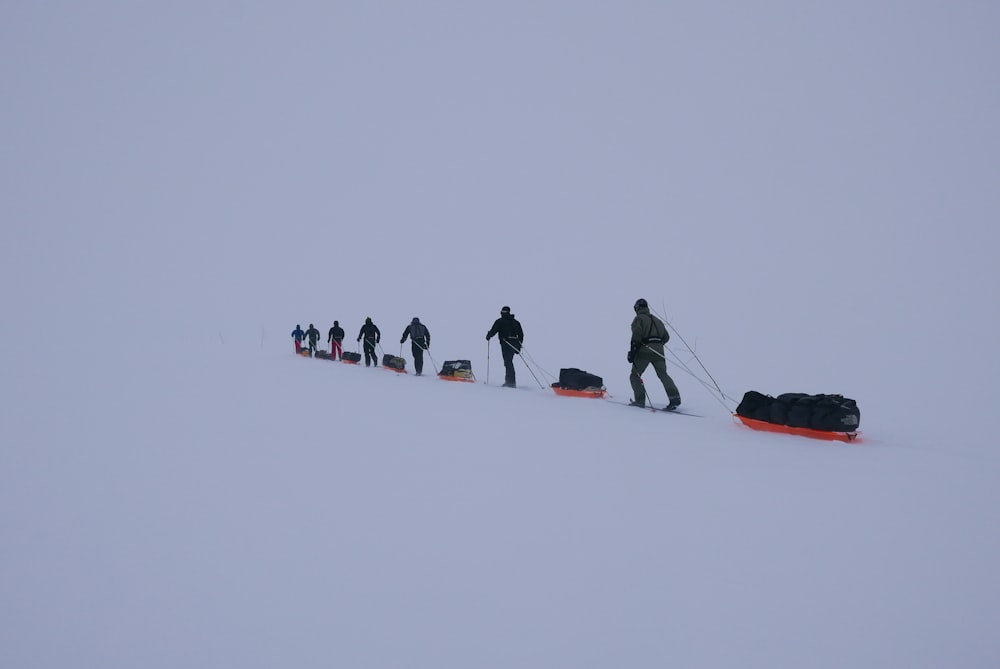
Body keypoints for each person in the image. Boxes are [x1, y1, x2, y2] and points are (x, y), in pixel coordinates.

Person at [628, 298, 681, 410]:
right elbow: (666, 337)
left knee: (635, 375)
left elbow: (636, 335)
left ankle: (640, 400)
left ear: (637, 308)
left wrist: (632, 352)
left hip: (644, 351)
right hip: (659, 352)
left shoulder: (639, 319)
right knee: (663, 375)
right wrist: (658, 343)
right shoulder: (658, 320)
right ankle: (674, 397)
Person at [486, 305, 523, 388]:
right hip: (514, 344)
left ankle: (510, 382)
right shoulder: (516, 322)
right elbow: (521, 335)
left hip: (506, 344)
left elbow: (493, 330)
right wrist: (518, 347)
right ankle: (509, 381)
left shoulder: (500, 321)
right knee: (508, 362)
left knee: (508, 362)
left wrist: (489, 336)